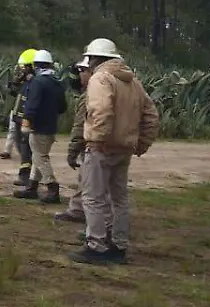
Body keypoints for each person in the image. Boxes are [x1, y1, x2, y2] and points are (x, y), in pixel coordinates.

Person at [69, 38, 160, 265]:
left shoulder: (100, 78)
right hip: (125, 149)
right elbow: (151, 116)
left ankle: (96, 246)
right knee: (119, 199)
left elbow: (101, 111)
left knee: (93, 198)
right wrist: (140, 144)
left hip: (102, 148)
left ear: (95, 58)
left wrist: (96, 141)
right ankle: (118, 246)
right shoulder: (133, 82)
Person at [14, 49, 67, 203]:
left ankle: (52, 187)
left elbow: (32, 104)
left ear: (36, 65)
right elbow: (62, 107)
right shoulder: (57, 82)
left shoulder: (37, 82)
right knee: (39, 155)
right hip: (51, 126)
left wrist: (26, 120)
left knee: (39, 157)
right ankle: (32, 187)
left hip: (39, 126)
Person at [54, 62, 93, 224]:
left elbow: (80, 126)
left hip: (94, 145)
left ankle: (82, 213)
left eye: (82, 71)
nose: (79, 75)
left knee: (89, 180)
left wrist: (72, 151)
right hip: (117, 146)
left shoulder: (91, 95)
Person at [11, 49, 38, 186]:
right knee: (21, 146)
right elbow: (13, 93)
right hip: (18, 118)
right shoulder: (25, 81)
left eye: (25, 67)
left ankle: (26, 176)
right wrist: (16, 82)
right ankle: (28, 174)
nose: (23, 70)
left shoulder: (36, 83)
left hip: (26, 120)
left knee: (26, 148)